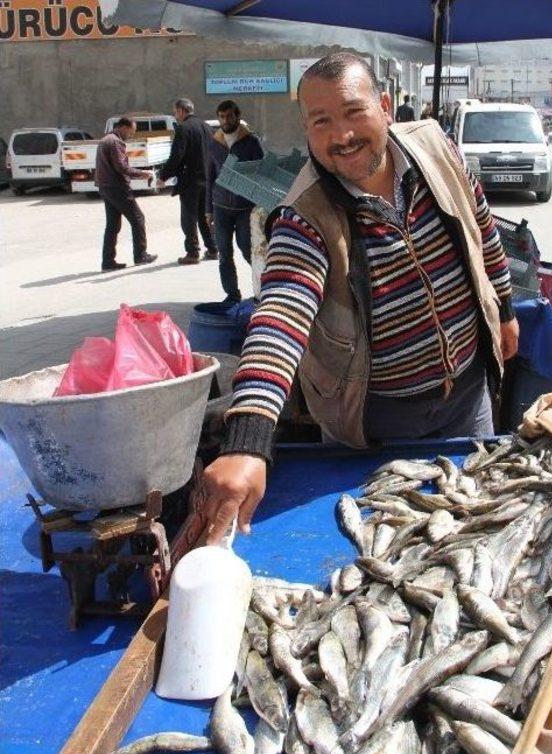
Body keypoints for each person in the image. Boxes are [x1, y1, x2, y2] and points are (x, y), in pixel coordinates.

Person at [203, 52, 519, 544]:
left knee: (474, 527)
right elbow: (280, 317)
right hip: (375, 422)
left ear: (386, 107)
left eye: (353, 112)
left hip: (467, 396)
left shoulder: (437, 149)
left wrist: (504, 309)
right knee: (384, 548)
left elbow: (480, 223)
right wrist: (248, 440)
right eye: (321, 121)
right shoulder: (303, 215)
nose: (341, 135)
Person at [206, 100, 264, 304]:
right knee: (224, 252)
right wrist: (208, 210)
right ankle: (232, 294)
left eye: (229, 116)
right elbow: (210, 176)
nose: (225, 120)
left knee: (247, 249)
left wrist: (260, 203)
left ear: (237, 117)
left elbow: (261, 173)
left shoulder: (251, 142)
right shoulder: (215, 143)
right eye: (222, 116)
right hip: (220, 207)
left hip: (244, 207)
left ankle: (265, 286)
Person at [157, 98, 218, 265]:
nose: (175, 116)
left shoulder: (184, 128)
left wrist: (163, 176)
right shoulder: (207, 127)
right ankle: (213, 249)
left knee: (189, 218)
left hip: (190, 181)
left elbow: (176, 156)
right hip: (207, 180)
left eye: (175, 112)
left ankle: (192, 253)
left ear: (182, 111)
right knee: (204, 216)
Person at [95, 117, 157, 271]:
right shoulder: (116, 142)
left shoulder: (105, 140)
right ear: (123, 127)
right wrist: (142, 173)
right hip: (117, 188)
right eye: (131, 131)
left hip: (105, 187)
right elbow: (122, 167)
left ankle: (108, 261)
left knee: (112, 225)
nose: (132, 135)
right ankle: (140, 255)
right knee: (138, 218)